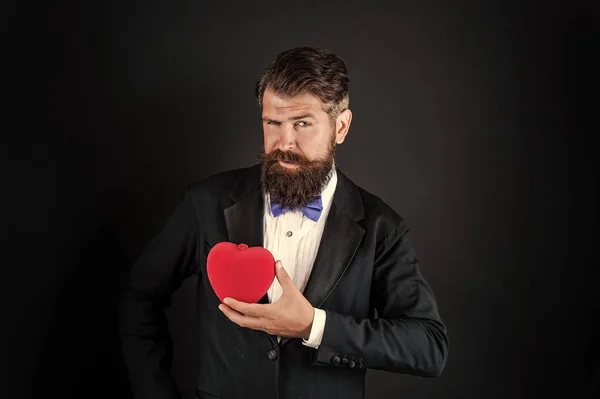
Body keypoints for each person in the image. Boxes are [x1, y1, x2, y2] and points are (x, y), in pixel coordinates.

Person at [118, 46, 448, 399]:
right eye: (272, 123)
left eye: (302, 123)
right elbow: (140, 297)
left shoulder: (382, 226)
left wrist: (313, 325)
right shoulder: (205, 202)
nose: (284, 142)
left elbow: (427, 347)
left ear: (341, 126)